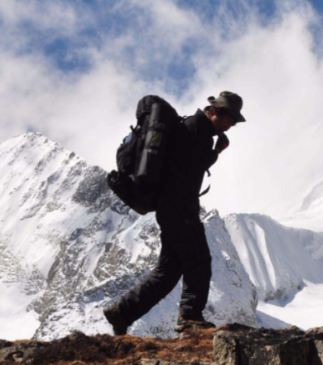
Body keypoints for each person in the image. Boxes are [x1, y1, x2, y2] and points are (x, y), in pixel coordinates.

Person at [103, 91, 246, 335]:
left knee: (168, 271)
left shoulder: (194, 128)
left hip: (170, 206)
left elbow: (184, 163)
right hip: (180, 206)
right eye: (230, 118)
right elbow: (189, 168)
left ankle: (122, 313)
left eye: (233, 120)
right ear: (214, 112)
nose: (231, 124)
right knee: (198, 258)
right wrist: (215, 152)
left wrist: (214, 151)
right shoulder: (197, 129)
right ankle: (190, 317)